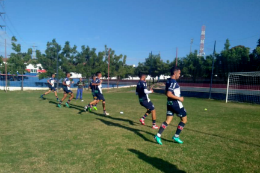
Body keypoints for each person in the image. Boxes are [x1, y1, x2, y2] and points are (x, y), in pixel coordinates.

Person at [154, 67, 187, 145]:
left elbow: (166, 93)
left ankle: (158, 135)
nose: (180, 75)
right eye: (179, 73)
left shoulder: (168, 80)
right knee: (184, 120)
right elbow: (169, 94)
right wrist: (179, 98)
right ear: (175, 73)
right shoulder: (173, 82)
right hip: (176, 104)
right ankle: (176, 136)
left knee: (167, 121)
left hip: (169, 103)